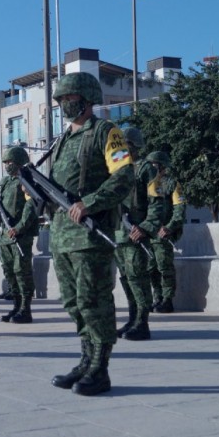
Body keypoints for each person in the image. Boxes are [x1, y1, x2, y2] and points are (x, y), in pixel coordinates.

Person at [48, 72, 135, 396]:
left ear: (86, 99)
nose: (64, 105)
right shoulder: (62, 140)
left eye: (69, 99)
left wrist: (90, 203)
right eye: (61, 100)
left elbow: (124, 175)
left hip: (90, 235)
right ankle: (86, 359)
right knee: (73, 302)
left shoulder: (106, 133)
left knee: (94, 300)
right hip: (63, 236)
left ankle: (100, 366)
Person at [114, 128, 161, 341]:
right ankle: (133, 319)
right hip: (118, 235)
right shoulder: (116, 171)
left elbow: (157, 202)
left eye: (125, 145)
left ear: (133, 145)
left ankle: (143, 323)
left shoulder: (146, 170)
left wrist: (145, 227)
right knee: (126, 279)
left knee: (138, 278)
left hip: (136, 234)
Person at [0, 147, 39, 324]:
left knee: (22, 272)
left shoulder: (26, 179)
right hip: (5, 234)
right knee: (10, 272)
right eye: (5, 162)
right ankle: (16, 306)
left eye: (10, 162)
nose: (7, 165)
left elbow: (31, 206)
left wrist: (20, 227)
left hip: (20, 235)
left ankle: (25, 309)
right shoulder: (6, 182)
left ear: (20, 161)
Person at [144, 151, 186, 314]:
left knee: (164, 268)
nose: (151, 168)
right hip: (148, 234)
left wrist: (169, 226)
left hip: (162, 234)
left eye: (154, 164)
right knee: (150, 269)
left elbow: (179, 208)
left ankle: (167, 300)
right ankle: (157, 298)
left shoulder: (172, 184)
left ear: (162, 166)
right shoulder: (145, 184)